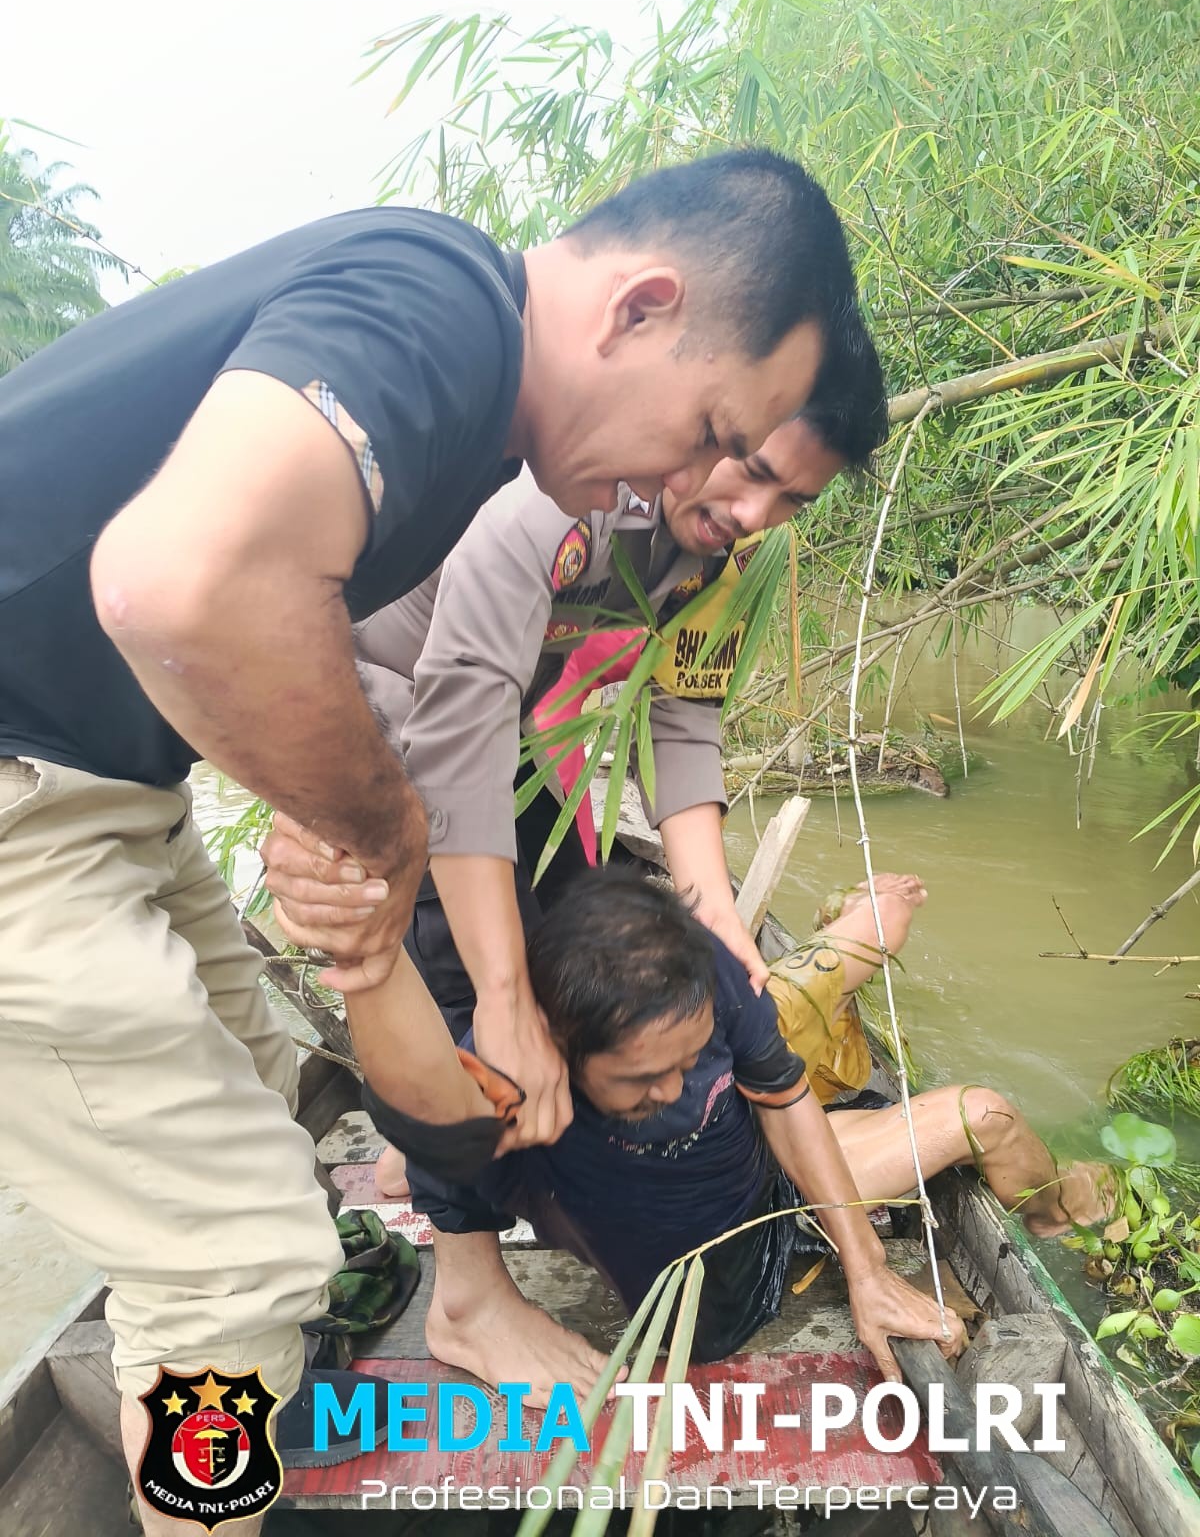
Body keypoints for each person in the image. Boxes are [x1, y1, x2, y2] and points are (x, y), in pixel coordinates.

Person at [0, 149, 863, 1533]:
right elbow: (180, 582)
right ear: (638, 309)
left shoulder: (505, 450)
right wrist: (379, 829)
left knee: (288, 1090)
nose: (707, 488)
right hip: (27, 785)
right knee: (228, 1268)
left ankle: (433, 1286)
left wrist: (328, 846)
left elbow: (265, 616)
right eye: (713, 434)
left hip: (114, 774)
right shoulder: (444, 299)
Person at [350, 325, 888, 1196]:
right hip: (386, 711)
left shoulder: (728, 552)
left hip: (505, 724)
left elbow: (682, 713)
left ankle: (524, 1116)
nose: (756, 515)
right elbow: (455, 736)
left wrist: (711, 905)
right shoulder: (566, 499)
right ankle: (447, 1201)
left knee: (579, 918)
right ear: (716, 416)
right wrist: (500, 995)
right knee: (461, 963)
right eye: (751, 468)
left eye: (793, 499)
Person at [408, 867, 1115, 1404]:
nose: (672, 1091)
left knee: (895, 1031)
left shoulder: (707, 977)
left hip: (768, 1157)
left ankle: (1060, 1210)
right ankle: (851, 935)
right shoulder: (508, 1081)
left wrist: (868, 1268)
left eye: (687, 1065)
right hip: (765, 1204)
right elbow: (423, 1132)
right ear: (556, 1054)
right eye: (644, 1080)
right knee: (964, 1102)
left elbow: (782, 1094)